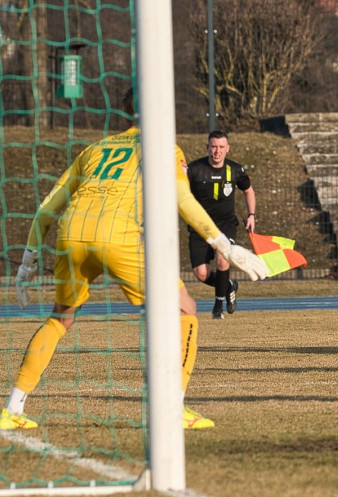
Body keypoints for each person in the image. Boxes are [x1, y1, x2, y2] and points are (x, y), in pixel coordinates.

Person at [1, 88, 269, 431]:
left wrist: (29, 258)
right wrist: (225, 246)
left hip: (72, 234)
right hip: (119, 236)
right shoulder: (164, 149)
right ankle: (173, 406)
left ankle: (13, 406)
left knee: (60, 319)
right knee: (184, 309)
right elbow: (183, 200)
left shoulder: (94, 149)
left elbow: (46, 208)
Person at [186, 130, 257, 319]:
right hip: (199, 225)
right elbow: (179, 190)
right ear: (207, 148)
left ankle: (218, 305)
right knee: (201, 273)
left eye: (221, 147)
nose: (217, 151)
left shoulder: (235, 170)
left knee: (222, 259)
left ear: (227, 149)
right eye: (214, 146)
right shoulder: (194, 169)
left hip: (225, 224)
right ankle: (229, 286)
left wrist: (251, 215)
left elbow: (248, 191)